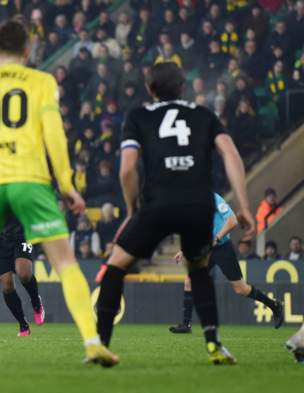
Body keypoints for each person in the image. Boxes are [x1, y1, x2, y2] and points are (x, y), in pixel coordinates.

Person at [0, 20, 117, 368]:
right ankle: (93, 342)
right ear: (28, 50)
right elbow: (55, 136)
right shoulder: (42, 82)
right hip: (31, 181)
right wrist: (66, 184)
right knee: (65, 262)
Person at [96, 62, 256, 366]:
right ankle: (213, 344)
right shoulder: (204, 115)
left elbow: (128, 168)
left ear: (149, 88)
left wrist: (132, 209)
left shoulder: (138, 116)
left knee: (116, 266)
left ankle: (101, 345)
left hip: (158, 202)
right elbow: (230, 153)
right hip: (198, 204)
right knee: (198, 269)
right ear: (183, 87)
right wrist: (245, 206)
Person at [169, 193, 283, 334]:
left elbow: (232, 220)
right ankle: (186, 325)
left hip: (222, 248)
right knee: (190, 281)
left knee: (240, 289)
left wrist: (217, 237)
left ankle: (274, 305)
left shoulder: (213, 197)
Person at [0, 216, 44, 336]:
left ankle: (36, 302)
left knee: (24, 273)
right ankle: (23, 324)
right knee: (7, 285)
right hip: (1, 241)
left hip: (23, 235)